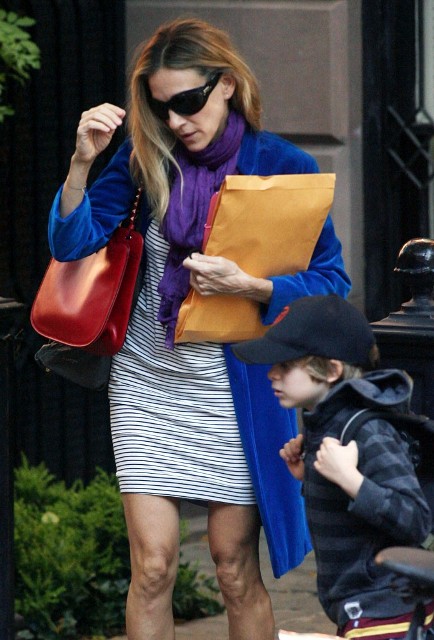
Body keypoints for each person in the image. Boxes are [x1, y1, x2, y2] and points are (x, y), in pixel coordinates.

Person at [47, 17, 351, 640]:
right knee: (152, 569)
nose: (177, 120)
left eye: (188, 101)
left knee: (234, 570)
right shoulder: (146, 161)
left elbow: (333, 284)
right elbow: (72, 243)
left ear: (227, 85)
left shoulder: (282, 165)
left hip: (235, 395)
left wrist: (253, 286)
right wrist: (81, 164)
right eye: (162, 107)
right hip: (146, 383)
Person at [232, 294, 433, 640]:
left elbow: (416, 520)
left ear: (331, 370)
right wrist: (313, 476)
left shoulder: (367, 430)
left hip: (388, 611)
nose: (272, 374)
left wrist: (351, 480)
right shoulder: (327, 424)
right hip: (362, 609)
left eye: (285, 365)